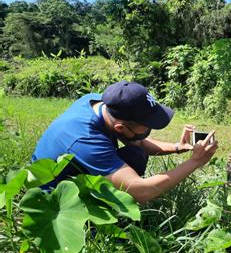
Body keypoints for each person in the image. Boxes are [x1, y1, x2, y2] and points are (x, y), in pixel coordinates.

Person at [32, 80, 218, 203]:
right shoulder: (87, 140)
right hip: (54, 198)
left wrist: (178, 147)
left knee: (135, 153)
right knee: (134, 160)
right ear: (120, 128)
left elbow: (138, 142)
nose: (148, 131)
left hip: (77, 172)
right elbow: (141, 191)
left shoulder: (98, 103)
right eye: (146, 127)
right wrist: (195, 161)